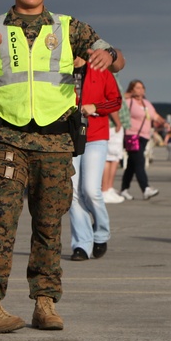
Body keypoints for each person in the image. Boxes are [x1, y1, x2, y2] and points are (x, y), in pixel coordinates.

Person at [0, 0, 123, 333]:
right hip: (7, 137)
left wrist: (108, 55)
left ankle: (45, 302)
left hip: (56, 141)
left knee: (48, 224)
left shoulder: (69, 27)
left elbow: (116, 56)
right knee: (1, 219)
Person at [68, 57, 122, 261]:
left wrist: (96, 107)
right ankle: (81, 244)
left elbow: (116, 100)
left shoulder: (100, 71)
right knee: (71, 193)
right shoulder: (59, 68)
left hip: (95, 136)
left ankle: (100, 233)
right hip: (68, 138)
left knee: (90, 190)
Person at [119, 79, 165, 200]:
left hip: (144, 136)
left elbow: (154, 115)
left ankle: (124, 189)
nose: (140, 90)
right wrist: (128, 95)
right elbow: (118, 99)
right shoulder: (129, 101)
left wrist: (163, 122)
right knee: (139, 161)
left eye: (142, 88)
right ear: (132, 89)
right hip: (132, 136)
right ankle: (146, 189)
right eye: (137, 88)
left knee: (131, 165)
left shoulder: (146, 103)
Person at [102, 112, 125, 203]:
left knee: (113, 158)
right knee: (109, 158)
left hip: (112, 126)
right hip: (112, 127)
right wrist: (118, 123)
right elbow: (112, 107)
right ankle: (105, 189)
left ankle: (108, 188)